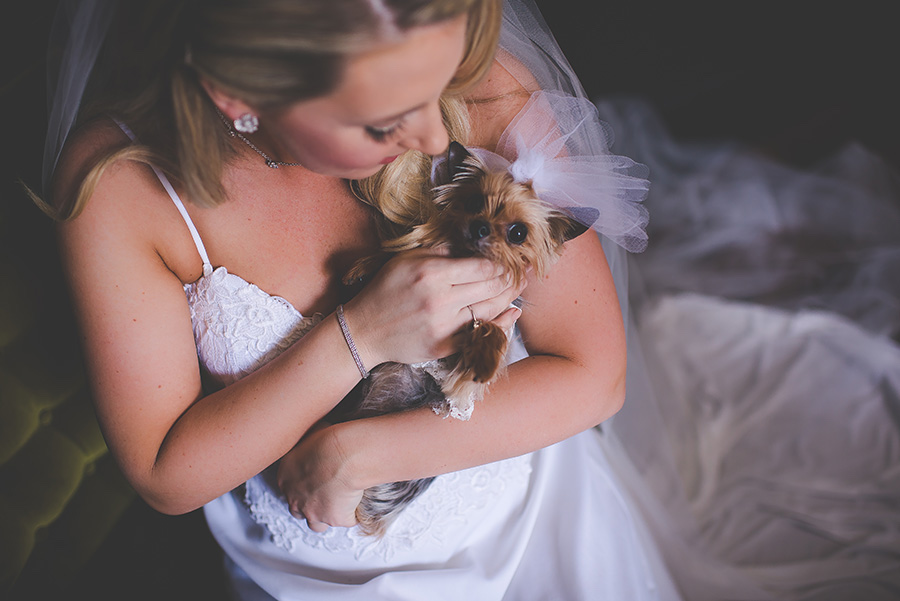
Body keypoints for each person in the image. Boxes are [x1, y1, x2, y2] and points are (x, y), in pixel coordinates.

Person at [40, 0, 900, 599]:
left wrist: (359, 455)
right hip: (311, 580)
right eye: (384, 124)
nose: (436, 138)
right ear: (239, 98)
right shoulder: (126, 189)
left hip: (527, 529)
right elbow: (164, 471)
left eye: (436, 88)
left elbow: (594, 375)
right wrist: (361, 331)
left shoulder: (484, 93)